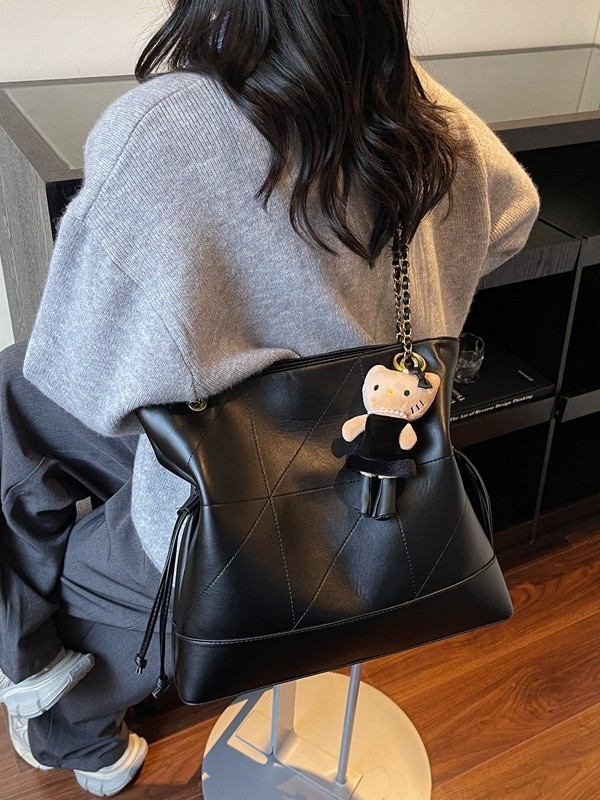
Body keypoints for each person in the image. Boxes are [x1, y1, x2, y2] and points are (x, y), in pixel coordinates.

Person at [0, 0, 539, 795]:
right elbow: (515, 219)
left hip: (242, 520)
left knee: (80, 539)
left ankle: (69, 721)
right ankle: (42, 670)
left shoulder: (165, 129)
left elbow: (88, 378)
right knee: (12, 384)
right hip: (385, 476)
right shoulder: (425, 105)